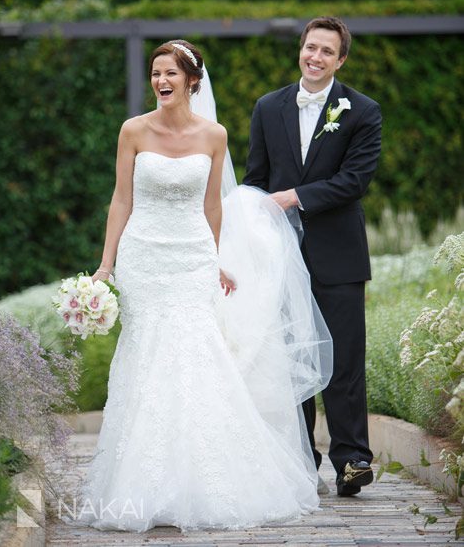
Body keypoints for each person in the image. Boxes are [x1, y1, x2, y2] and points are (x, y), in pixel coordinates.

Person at [76, 40, 332, 532]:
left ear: (192, 81)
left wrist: (215, 261)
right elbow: (121, 200)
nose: (160, 81)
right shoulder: (132, 130)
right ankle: (142, 480)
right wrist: (106, 266)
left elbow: (212, 205)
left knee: (197, 356)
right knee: (145, 356)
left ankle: (201, 478)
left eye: (169, 73)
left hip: (192, 258)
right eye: (155, 73)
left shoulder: (214, 135)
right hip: (144, 258)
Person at [243, 17, 382, 497]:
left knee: (344, 361)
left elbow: (355, 181)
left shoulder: (362, 111)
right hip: (279, 257)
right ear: (300, 51)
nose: (316, 57)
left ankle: (353, 461)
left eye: (327, 51)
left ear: (341, 59)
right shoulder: (267, 107)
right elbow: (255, 179)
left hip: (338, 255)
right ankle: (302, 460)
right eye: (310, 48)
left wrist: (295, 197)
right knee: (291, 362)